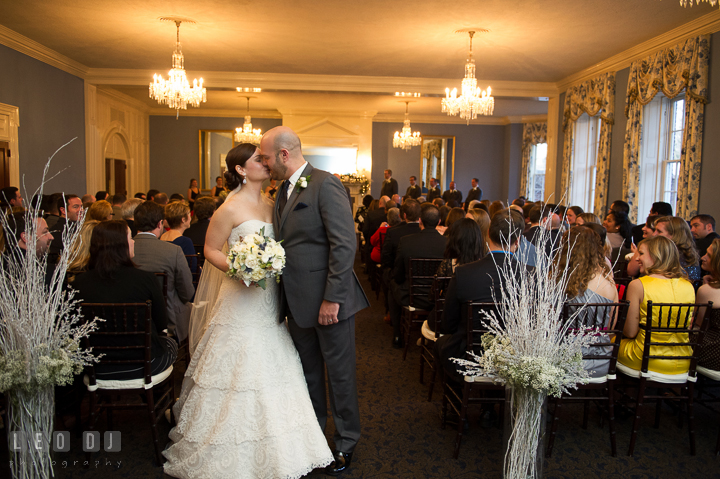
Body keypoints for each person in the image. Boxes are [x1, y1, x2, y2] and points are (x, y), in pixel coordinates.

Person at [164, 141, 336, 478]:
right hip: (240, 295)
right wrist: (239, 269)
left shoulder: (274, 203)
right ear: (241, 170)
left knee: (276, 358)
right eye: (258, 159)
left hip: (270, 297)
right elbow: (211, 249)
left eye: (265, 157)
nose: (266, 163)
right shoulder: (229, 207)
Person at [261, 126, 369, 475]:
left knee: (339, 375)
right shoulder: (280, 192)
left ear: (284, 155)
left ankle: (346, 441)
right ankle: (315, 439)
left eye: (265, 157)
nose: (263, 163)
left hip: (329, 303)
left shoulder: (325, 183)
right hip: (294, 301)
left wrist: (332, 299)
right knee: (308, 375)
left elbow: (344, 244)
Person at [72, 221, 176, 380]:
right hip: (144, 364)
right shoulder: (146, 279)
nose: (134, 241)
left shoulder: (79, 283)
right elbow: (161, 323)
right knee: (172, 344)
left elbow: (74, 328)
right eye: (130, 237)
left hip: (96, 367)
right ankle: (155, 400)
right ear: (120, 245)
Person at [436, 209, 525, 382]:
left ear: (487, 236)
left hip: (470, 355)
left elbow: (448, 323)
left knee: (441, 344)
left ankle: (460, 399)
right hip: (517, 356)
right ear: (518, 241)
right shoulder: (532, 274)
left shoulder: (464, 273)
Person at [617, 236, 695, 374]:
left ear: (656, 256)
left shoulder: (638, 285)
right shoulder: (688, 286)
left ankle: (623, 393)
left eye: (641, 253)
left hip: (645, 358)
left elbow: (630, 332)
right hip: (684, 359)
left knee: (610, 342)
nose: (636, 258)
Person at [555, 226, 618, 378]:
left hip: (564, 359)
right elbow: (611, 327)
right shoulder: (609, 283)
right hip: (601, 360)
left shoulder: (559, 282)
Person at [132, 201, 194, 342]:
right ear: (160, 224)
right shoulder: (173, 251)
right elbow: (187, 292)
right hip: (167, 322)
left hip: (131, 320)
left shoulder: (123, 250)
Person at [388, 203, 447, 348]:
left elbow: (398, 274)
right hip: (438, 299)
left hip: (412, 297)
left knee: (392, 284)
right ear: (439, 222)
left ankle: (397, 334)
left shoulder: (407, 241)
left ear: (420, 220)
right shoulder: (447, 243)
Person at [654, 216, 702, 284]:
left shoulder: (676, 257)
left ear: (674, 235)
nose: (654, 234)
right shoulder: (688, 253)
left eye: (659, 231)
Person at [696, 238, 720, 371]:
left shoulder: (707, 291)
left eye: (709, 255)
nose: (702, 257)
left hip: (714, 353)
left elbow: (701, 326)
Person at [161, 201, 198, 274]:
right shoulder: (185, 242)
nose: (190, 218)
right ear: (183, 220)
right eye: (189, 215)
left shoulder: (162, 236)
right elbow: (193, 269)